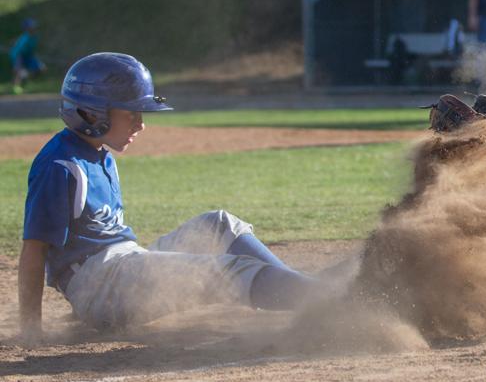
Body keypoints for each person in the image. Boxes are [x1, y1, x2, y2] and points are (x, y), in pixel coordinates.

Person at [17, 53, 325, 345]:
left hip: (122, 267)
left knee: (218, 224)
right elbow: (35, 250)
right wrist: (31, 328)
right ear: (92, 113)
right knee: (226, 270)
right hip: (102, 284)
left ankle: (308, 295)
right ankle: (328, 304)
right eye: (131, 113)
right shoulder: (60, 166)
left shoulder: (98, 154)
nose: (141, 124)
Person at [9, 18, 46, 95]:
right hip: (19, 55)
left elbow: (31, 50)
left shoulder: (35, 37)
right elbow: (19, 51)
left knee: (41, 69)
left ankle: (24, 79)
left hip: (28, 56)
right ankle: (16, 87)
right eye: (32, 26)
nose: (34, 28)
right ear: (26, 28)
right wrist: (18, 63)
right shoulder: (25, 38)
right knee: (18, 71)